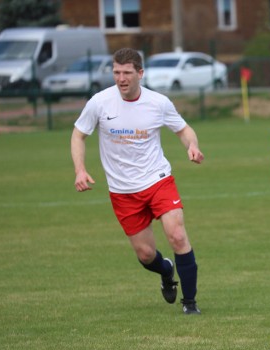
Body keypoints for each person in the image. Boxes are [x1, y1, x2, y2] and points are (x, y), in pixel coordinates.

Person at [71, 48, 203, 314]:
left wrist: (192, 145)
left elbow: (184, 129)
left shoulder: (158, 102)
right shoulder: (99, 102)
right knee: (145, 255)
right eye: (117, 72)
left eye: (127, 73)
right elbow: (78, 135)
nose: (121, 78)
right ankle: (166, 271)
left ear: (140, 74)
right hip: (122, 190)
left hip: (158, 180)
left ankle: (189, 303)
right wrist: (80, 169)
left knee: (177, 235)